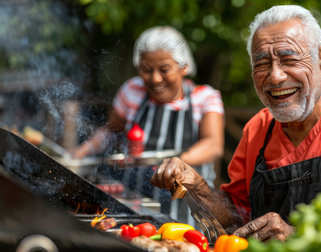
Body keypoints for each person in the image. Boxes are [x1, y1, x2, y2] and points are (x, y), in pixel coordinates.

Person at [150, 4, 321, 241]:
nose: (275, 76)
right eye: (262, 63)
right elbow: (236, 220)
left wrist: (296, 237)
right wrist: (197, 187)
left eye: (289, 59)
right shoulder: (257, 128)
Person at [71, 26, 225, 225]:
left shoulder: (204, 98)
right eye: (146, 70)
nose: (155, 79)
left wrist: (178, 163)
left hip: (186, 212)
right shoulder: (132, 90)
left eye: (164, 69)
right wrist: (81, 152)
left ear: (184, 67)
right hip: (133, 207)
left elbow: (213, 144)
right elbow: (112, 130)